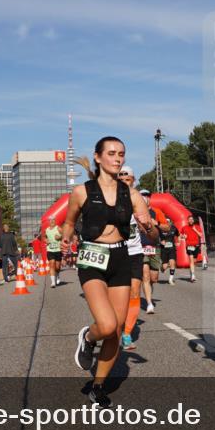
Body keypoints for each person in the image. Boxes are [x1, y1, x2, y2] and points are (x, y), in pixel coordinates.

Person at [64, 138, 157, 407]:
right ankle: (88, 337)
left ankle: (98, 386)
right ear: (98, 157)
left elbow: (151, 233)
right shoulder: (82, 192)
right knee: (105, 325)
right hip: (92, 257)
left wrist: (147, 224)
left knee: (115, 330)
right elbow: (69, 222)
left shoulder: (132, 194)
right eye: (112, 154)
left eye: (122, 155)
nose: (117, 159)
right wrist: (67, 239)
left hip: (120, 257)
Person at [117, 166, 149, 349]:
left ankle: (127, 334)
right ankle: (115, 326)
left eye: (126, 176)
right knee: (118, 295)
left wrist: (147, 225)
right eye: (120, 176)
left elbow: (151, 228)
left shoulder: (140, 200)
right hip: (116, 252)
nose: (122, 178)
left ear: (133, 179)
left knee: (135, 292)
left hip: (135, 252)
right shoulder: (110, 198)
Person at [138, 190, 165, 315]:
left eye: (147, 196)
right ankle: (149, 303)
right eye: (142, 196)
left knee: (153, 278)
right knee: (146, 276)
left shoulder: (156, 211)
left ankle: (148, 290)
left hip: (154, 247)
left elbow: (167, 227)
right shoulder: (135, 212)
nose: (145, 198)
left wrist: (157, 224)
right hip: (141, 247)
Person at [182, 215, 203, 282]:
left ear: (193, 220)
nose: (191, 220)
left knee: (194, 262)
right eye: (189, 219)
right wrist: (183, 236)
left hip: (196, 246)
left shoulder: (197, 226)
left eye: (192, 219)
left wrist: (195, 230)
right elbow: (181, 236)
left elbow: (200, 235)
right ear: (188, 220)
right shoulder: (184, 228)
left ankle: (191, 273)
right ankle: (193, 276)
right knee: (191, 260)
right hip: (189, 246)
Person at [158, 217, 179, 285]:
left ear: (170, 222)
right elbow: (155, 236)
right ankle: (162, 268)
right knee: (164, 266)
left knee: (172, 263)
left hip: (171, 248)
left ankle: (170, 279)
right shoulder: (160, 228)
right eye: (166, 222)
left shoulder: (174, 228)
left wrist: (178, 241)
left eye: (168, 222)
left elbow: (178, 235)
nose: (167, 223)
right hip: (163, 249)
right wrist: (160, 241)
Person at [44, 218, 65, 287]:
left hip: (58, 250)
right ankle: (53, 282)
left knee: (57, 267)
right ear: (49, 222)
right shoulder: (46, 230)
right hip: (50, 250)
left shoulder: (58, 228)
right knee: (52, 264)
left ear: (55, 221)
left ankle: (58, 275)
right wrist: (46, 240)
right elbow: (44, 237)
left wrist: (60, 237)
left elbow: (65, 236)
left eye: (53, 220)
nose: (52, 221)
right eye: (50, 220)